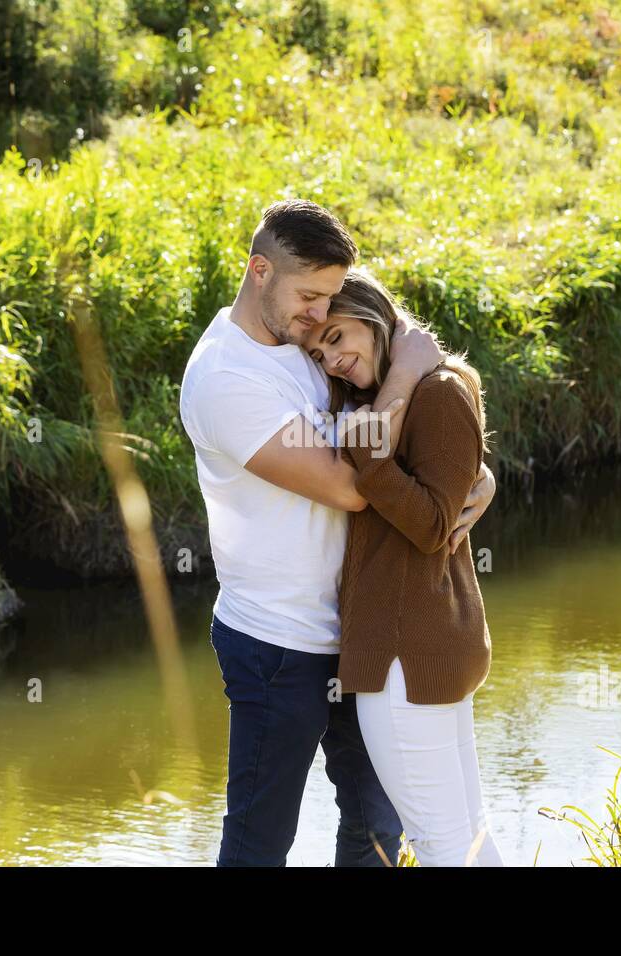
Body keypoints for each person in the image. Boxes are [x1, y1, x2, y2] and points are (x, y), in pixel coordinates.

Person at [179, 199, 496, 866]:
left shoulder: (309, 340)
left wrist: (478, 475)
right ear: (258, 271)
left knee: (377, 831)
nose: (320, 315)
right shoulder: (224, 379)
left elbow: (410, 430)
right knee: (262, 839)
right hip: (279, 643)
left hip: (368, 634)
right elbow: (355, 485)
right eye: (308, 295)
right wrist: (409, 372)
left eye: (329, 299)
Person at [300, 268, 505, 866]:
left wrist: (374, 463)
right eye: (319, 352)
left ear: (372, 316)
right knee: (466, 839)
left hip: (405, 661)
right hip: (421, 648)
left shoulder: (436, 392)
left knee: (443, 845)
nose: (332, 358)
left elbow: (435, 526)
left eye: (337, 337)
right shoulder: (391, 399)